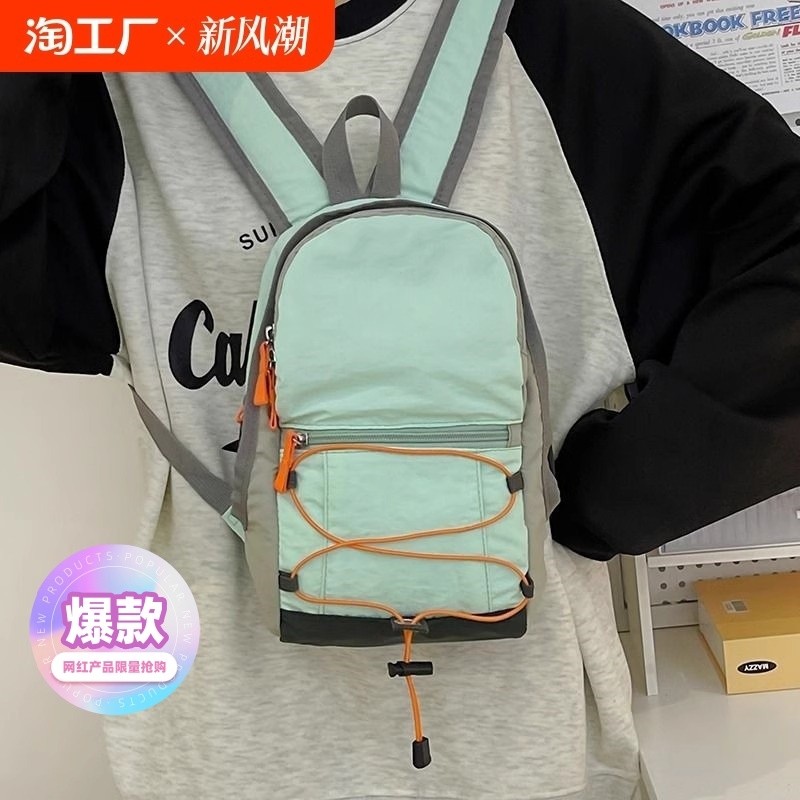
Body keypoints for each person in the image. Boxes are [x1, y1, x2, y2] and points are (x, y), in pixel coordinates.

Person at [2, 1, 799, 798]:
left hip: (492, 754)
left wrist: (625, 489)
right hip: (255, 755)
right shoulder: (103, 59)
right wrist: (603, 501)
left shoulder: (556, 41)